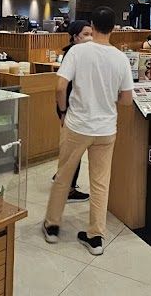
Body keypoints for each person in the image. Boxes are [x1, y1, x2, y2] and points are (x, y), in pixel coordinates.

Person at [44, 6, 134, 256]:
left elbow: (60, 87)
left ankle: (52, 226)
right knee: (100, 182)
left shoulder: (77, 52)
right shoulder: (120, 58)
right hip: (106, 129)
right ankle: (95, 237)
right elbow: (126, 100)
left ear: (92, 26)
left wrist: (62, 112)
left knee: (64, 176)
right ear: (114, 28)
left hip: (78, 125)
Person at [52, 20, 93, 203]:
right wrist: (63, 111)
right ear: (75, 37)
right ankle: (67, 189)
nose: (89, 38)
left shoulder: (78, 53)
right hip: (69, 108)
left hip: (71, 107)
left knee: (70, 148)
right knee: (74, 150)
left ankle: (63, 179)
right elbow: (62, 88)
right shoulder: (72, 54)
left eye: (91, 34)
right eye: (85, 34)